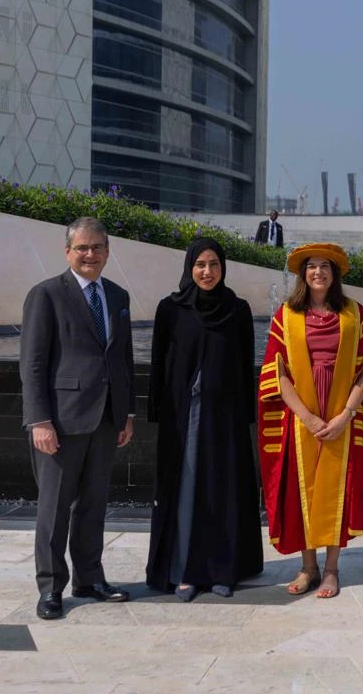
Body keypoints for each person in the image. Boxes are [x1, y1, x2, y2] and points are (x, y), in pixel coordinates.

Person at [20, 217, 136, 620]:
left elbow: (122, 358)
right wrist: (39, 420)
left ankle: (90, 578)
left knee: (93, 506)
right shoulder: (47, 294)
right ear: (68, 251)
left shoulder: (118, 295)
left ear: (108, 251)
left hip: (106, 420)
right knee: (53, 509)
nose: (91, 254)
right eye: (83, 248)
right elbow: (33, 363)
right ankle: (51, 588)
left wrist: (127, 412)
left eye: (98, 247)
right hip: (61, 422)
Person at [258, 243, 363, 599]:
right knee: (301, 492)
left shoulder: (354, 315)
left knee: (337, 492)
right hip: (302, 420)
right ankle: (307, 567)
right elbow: (278, 374)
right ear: (302, 274)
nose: (318, 273)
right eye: (311, 267)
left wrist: (346, 416)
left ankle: (330, 570)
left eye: (325, 266)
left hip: (342, 417)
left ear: (335, 273)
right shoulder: (286, 315)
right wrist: (307, 418)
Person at [146, 239, 263, 601]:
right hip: (184, 418)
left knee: (223, 492)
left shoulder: (237, 310)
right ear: (189, 268)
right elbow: (158, 364)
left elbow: (246, 366)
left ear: (223, 267)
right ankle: (184, 571)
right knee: (186, 490)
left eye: (214, 264)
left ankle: (223, 571)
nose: (207, 272)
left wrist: (246, 416)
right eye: (200, 265)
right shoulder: (171, 309)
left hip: (224, 418)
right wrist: (158, 414)